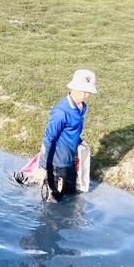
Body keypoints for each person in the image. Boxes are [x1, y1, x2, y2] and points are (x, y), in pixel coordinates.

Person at [31, 69, 97, 200]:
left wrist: (79, 140)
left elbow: (71, 129)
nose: (84, 95)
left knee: (71, 195)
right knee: (54, 201)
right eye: (81, 90)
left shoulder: (82, 107)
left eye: (87, 92)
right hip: (56, 165)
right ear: (73, 87)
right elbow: (48, 138)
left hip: (69, 161)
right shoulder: (61, 111)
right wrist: (43, 167)